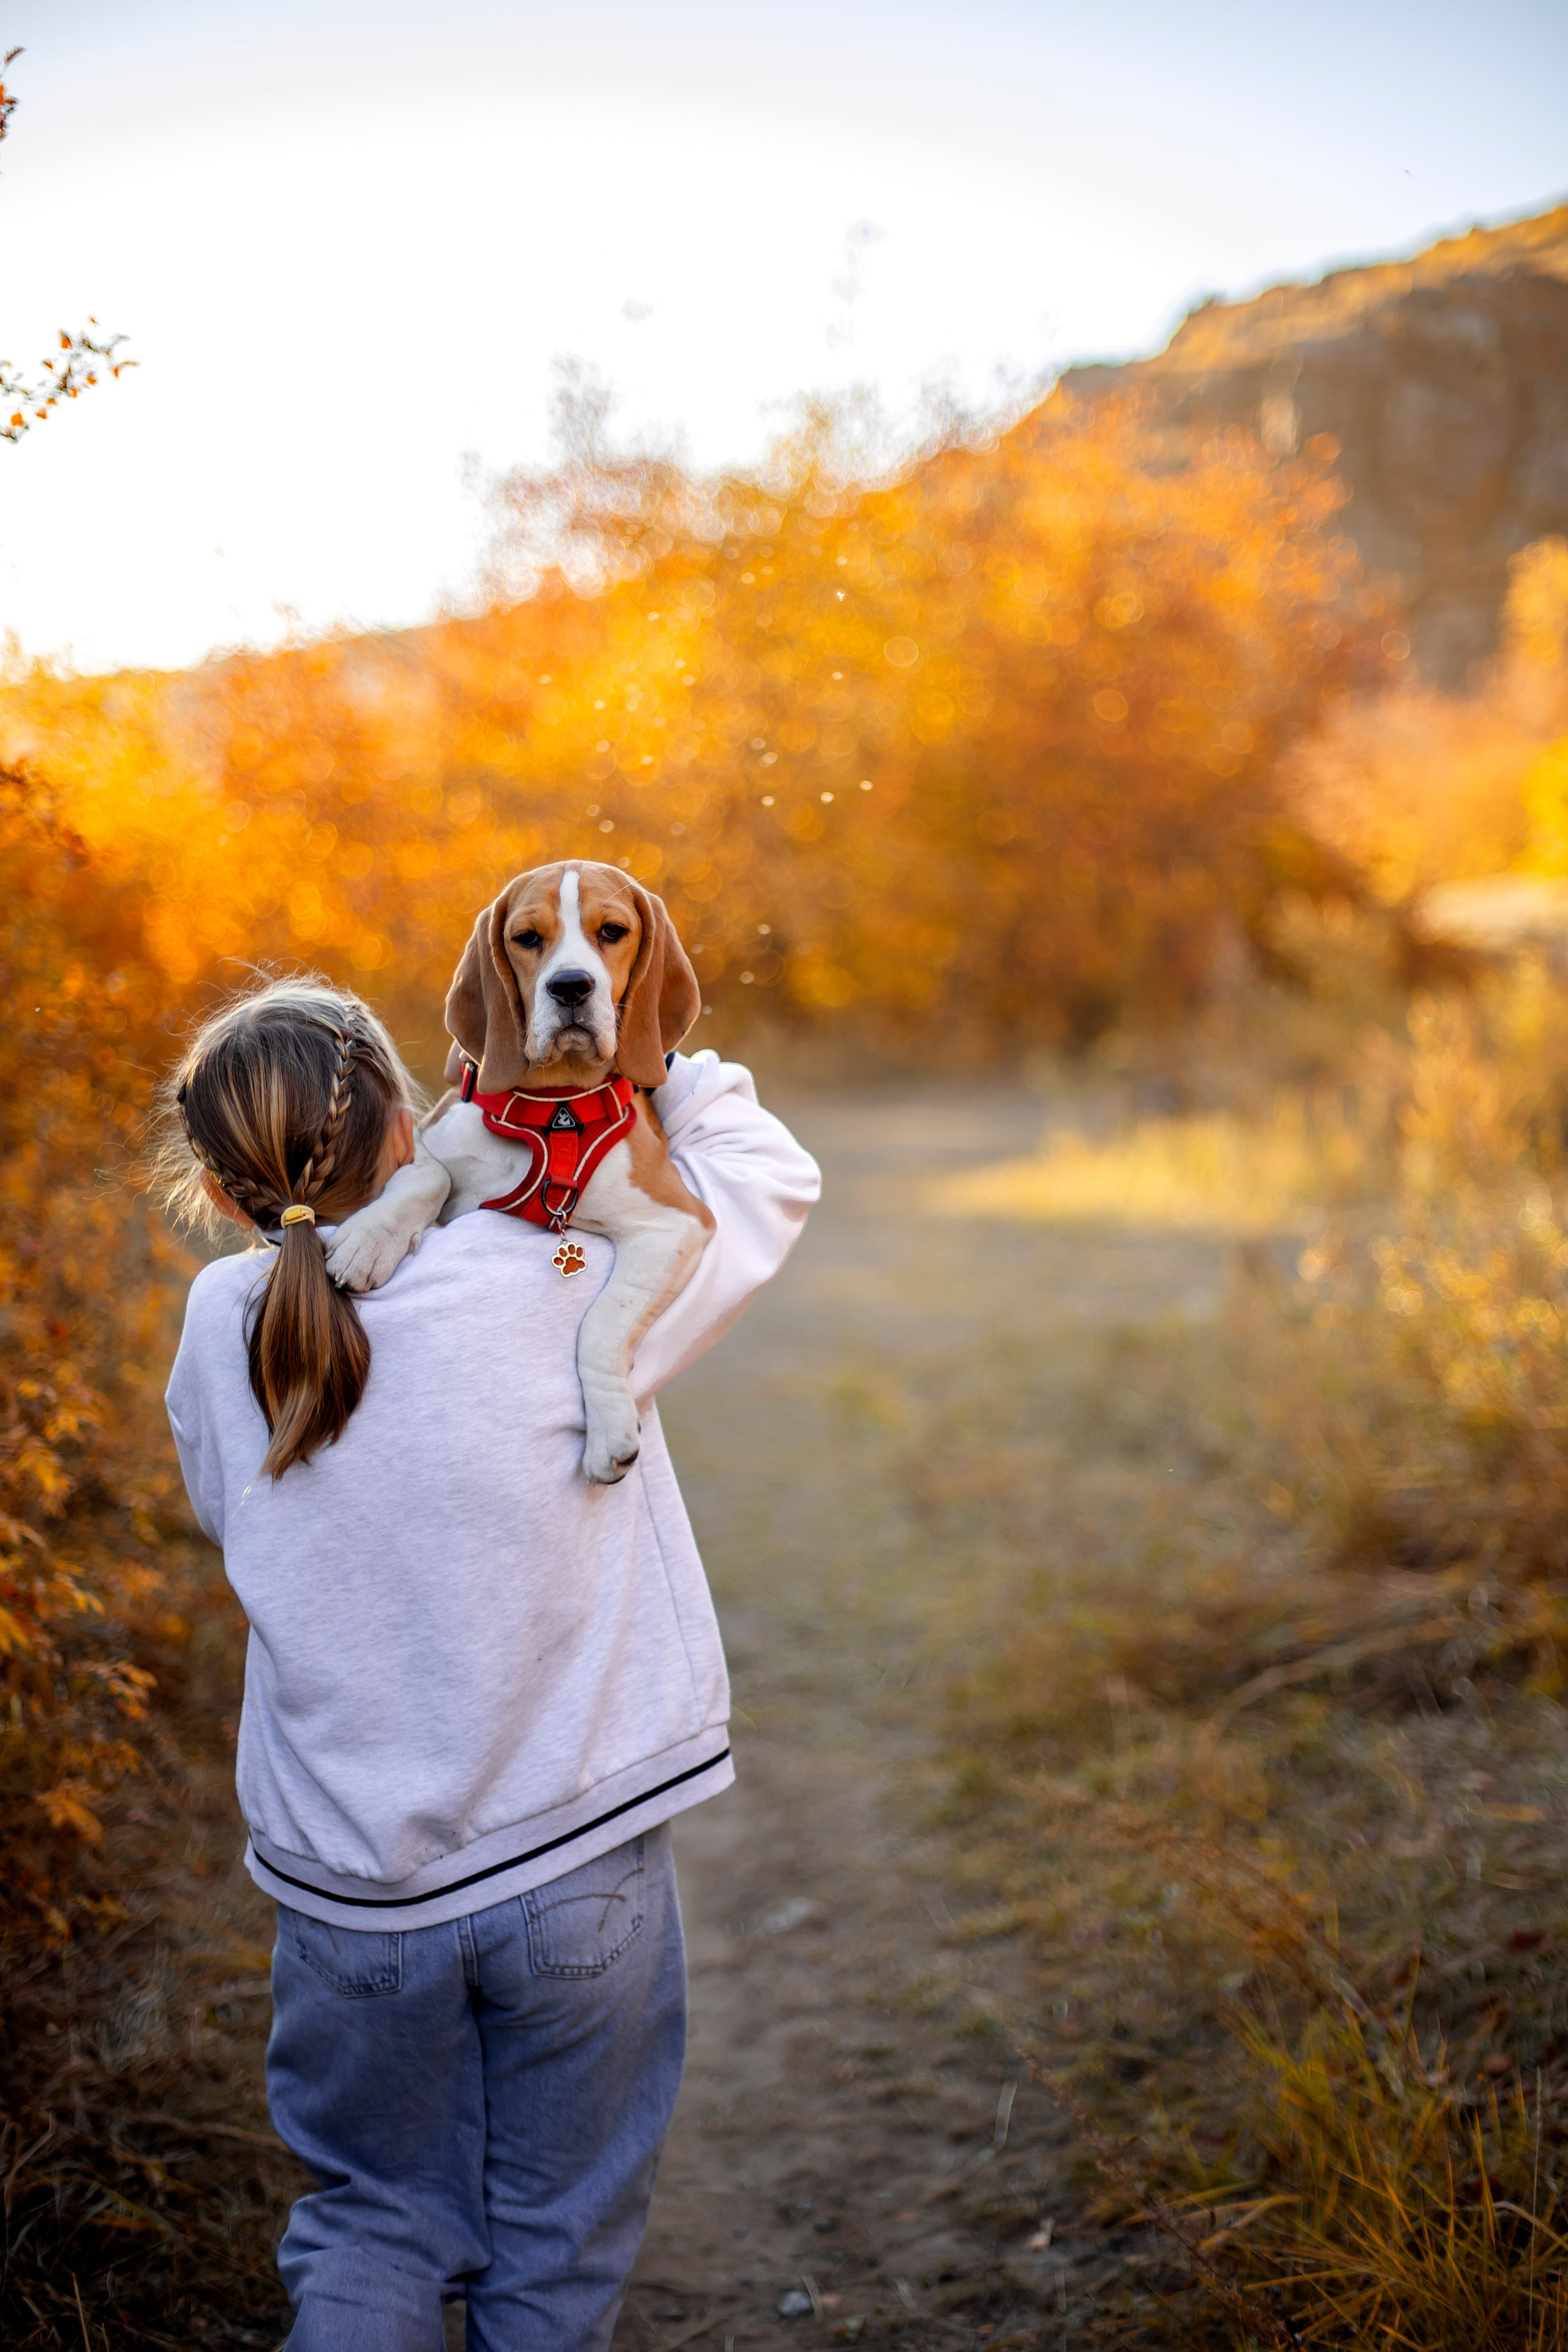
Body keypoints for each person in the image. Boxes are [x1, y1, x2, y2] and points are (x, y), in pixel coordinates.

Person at [160, 976, 820, 2352]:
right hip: (572, 1863)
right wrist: (658, 1063)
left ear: (218, 1192)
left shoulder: (220, 1326)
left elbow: (242, 1524)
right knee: (553, 2244)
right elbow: (767, 1183)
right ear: (413, 1124)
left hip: (350, 1898)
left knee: (373, 2224)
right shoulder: (555, 1277)